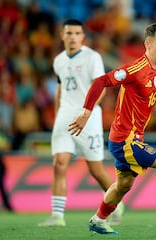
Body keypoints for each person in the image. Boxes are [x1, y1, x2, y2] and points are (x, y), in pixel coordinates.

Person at [68, 22, 156, 235]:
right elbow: (100, 82)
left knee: (123, 185)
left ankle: (98, 219)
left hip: (132, 139)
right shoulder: (135, 70)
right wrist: (87, 112)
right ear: (147, 44)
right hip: (125, 140)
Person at [38, 19, 122, 227]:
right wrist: (58, 114)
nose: (73, 36)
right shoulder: (58, 60)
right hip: (65, 118)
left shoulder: (92, 58)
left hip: (89, 118)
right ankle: (57, 216)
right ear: (62, 36)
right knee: (59, 164)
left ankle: (116, 203)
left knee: (95, 170)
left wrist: (87, 112)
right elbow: (60, 89)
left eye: (77, 33)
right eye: (69, 33)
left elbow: (101, 88)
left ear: (82, 37)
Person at [0, 112, 14, 212]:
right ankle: (7, 207)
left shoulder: (2, 132)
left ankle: (8, 207)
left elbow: (8, 146)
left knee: (1, 186)